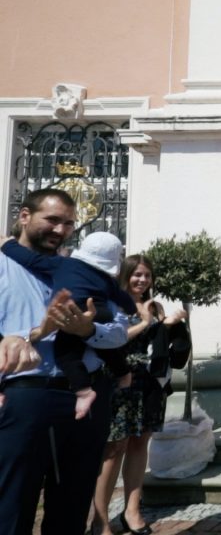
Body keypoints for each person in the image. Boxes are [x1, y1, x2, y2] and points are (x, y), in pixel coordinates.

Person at [0, 188, 128, 535]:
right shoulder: (2, 265)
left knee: (72, 509)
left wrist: (90, 330)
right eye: (52, 220)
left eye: (69, 224)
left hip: (85, 396)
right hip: (25, 394)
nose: (60, 230)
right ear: (25, 216)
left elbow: (119, 331)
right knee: (11, 506)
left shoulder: (83, 268)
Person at [91, 254, 189, 535]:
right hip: (119, 381)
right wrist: (149, 324)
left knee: (139, 445)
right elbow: (110, 342)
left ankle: (132, 511)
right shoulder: (112, 304)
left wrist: (172, 326)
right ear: (125, 275)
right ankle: (99, 520)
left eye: (147, 275)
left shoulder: (155, 306)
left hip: (149, 384)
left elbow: (162, 348)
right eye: (137, 274)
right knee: (113, 450)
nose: (142, 280)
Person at [2, 231, 136, 419]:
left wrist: (8, 245)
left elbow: (31, 260)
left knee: (66, 354)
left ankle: (83, 392)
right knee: (104, 348)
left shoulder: (63, 264)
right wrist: (133, 308)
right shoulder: (108, 280)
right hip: (99, 313)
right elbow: (125, 301)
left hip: (72, 313)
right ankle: (123, 372)